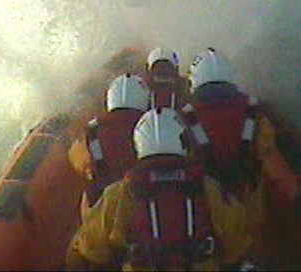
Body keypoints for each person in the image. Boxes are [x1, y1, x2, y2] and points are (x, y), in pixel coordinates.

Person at [65, 107, 254, 271]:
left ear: (138, 146)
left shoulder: (120, 193)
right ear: (184, 143)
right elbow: (237, 244)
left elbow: (88, 251)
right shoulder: (208, 189)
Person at [181, 48, 300, 265]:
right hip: (250, 214)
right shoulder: (254, 114)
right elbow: (266, 149)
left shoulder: (187, 119)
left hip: (208, 218)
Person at [68, 73, 151, 218]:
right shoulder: (149, 127)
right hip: (142, 210)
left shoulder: (91, 132)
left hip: (103, 215)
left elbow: (77, 163)